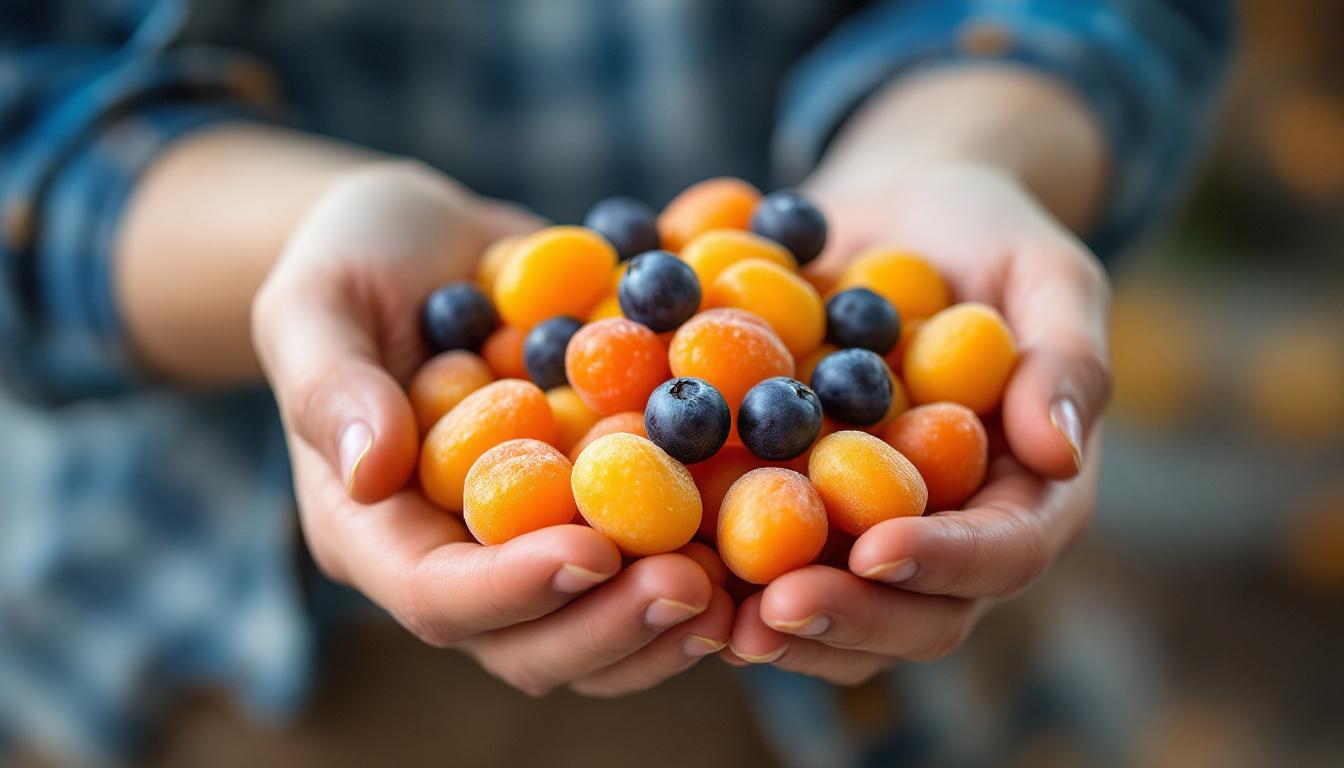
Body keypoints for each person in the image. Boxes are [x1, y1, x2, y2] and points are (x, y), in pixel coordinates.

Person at [0, 1, 1232, 764]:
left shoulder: (780, 362)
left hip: (930, 700)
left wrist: (964, 145)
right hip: (231, 672)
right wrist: (293, 246)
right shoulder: (598, 385)